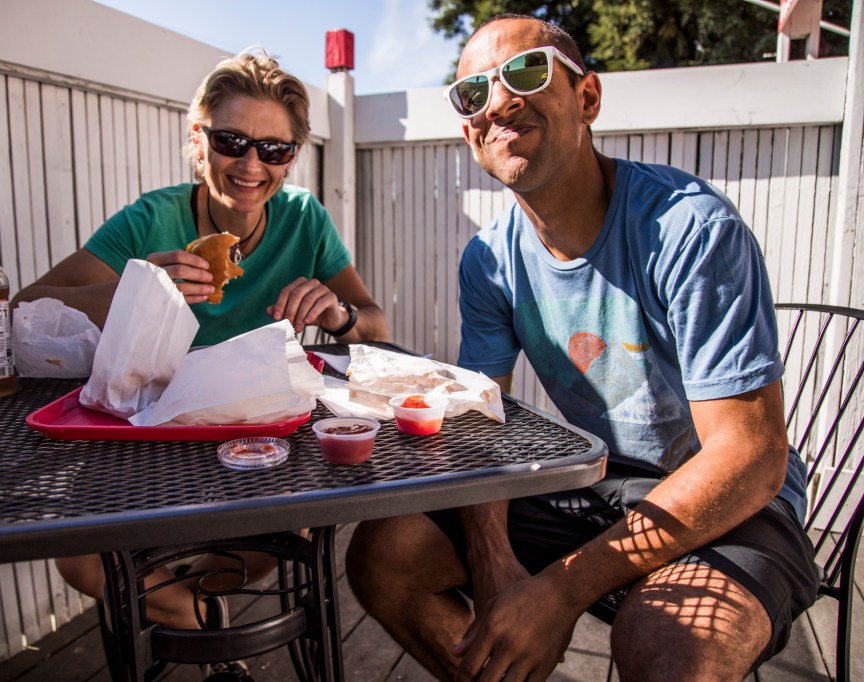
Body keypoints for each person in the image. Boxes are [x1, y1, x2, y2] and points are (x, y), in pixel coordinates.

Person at [345, 14, 819, 682]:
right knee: (383, 555)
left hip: (734, 506)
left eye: (527, 71)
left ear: (587, 99)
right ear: (468, 132)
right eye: (472, 94)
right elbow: (480, 417)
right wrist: (493, 564)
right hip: (597, 482)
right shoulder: (489, 261)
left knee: (664, 640)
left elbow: (750, 458)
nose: (500, 100)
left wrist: (558, 591)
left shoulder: (688, 229)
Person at [12, 49, 389, 681]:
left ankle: (178, 609)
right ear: (199, 140)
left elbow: (376, 321)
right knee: (82, 561)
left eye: (274, 149)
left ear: (293, 156)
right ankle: (217, 643)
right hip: (150, 445)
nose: (250, 165)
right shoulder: (149, 220)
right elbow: (28, 307)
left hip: (260, 447)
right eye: (231, 141)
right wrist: (137, 288)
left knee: (286, 535)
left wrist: (339, 315)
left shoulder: (305, 220)